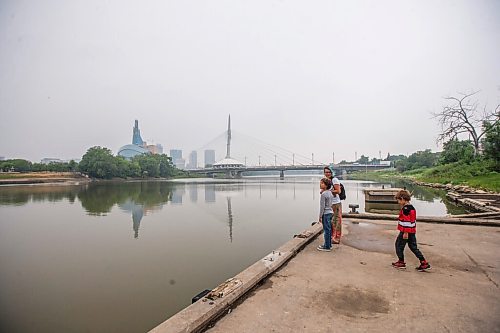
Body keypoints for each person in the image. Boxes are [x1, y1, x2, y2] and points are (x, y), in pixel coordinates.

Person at [392, 190, 431, 271]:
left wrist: (405, 232)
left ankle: (401, 262)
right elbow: (412, 221)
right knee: (413, 247)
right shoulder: (412, 208)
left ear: (402, 199)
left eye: (398, 200)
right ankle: (423, 262)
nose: (398, 202)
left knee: (398, 245)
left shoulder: (405, 209)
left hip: (405, 232)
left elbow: (406, 222)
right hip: (412, 232)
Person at [323, 166, 342, 244]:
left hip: (336, 203)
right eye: (326, 172)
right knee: (330, 221)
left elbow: (338, 191)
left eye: (329, 172)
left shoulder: (334, 179)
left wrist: (328, 191)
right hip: (329, 204)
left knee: (337, 221)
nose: (327, 173)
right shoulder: (327, 180)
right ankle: (332, 236)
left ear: (331, 172)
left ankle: (337, 238)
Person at [317, 177, 334, 251]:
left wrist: (320, 216)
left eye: (322, 183)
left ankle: (326, 247)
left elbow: (322, 206)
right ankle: (328, 244)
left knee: (326, 230)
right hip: (330, 212)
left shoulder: (323, 194)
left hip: (326, 214)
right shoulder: (330, 192)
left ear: (326, 185)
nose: (320, 184)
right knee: (329, 230)